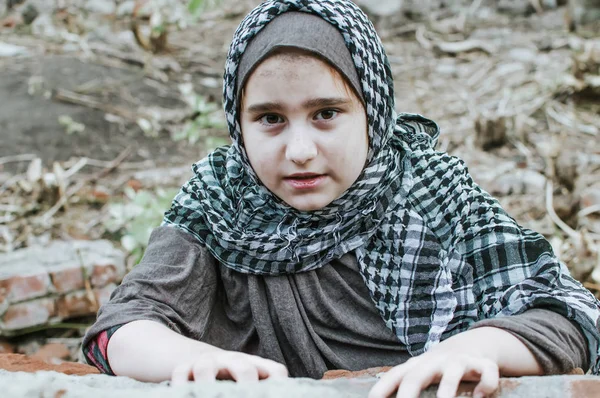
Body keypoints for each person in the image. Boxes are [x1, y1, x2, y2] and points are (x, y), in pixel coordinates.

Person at [82, 1, 600, 397]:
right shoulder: (219, 204)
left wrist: (472, 350)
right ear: (238, 127)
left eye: (327, 112)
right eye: (270, 119)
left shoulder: (433, 194)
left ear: (372, 112)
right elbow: (119, 329)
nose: (300, 151)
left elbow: (571, 316)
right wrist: (183, 359)